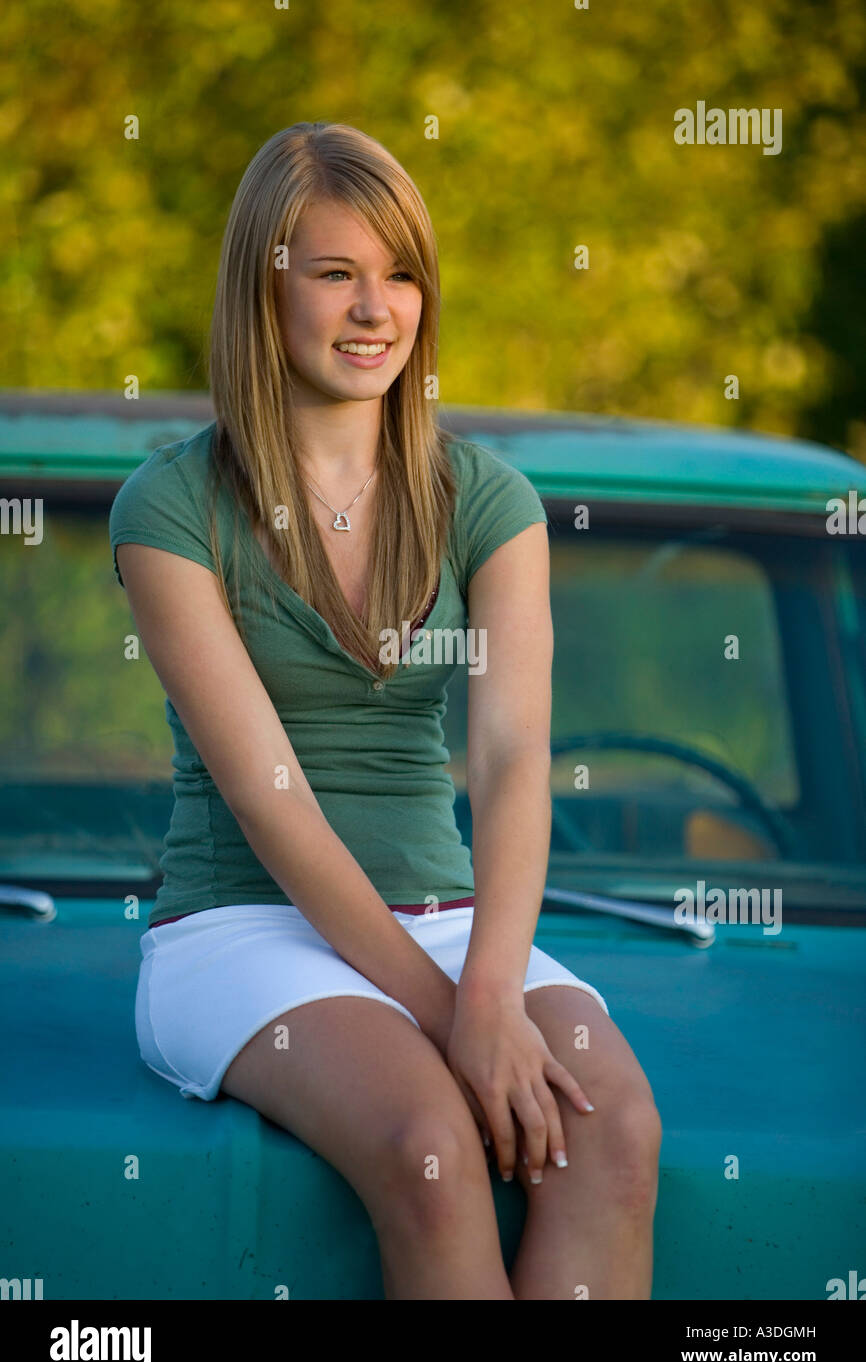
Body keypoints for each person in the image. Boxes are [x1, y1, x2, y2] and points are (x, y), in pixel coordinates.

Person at [109, 121, 661, 1300]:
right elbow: (272, 802)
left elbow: (512, 759)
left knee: (609, 1127)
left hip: (454, 922)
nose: (376, 310)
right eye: (334, 274)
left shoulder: (489, 501)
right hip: (239, 928)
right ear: (265, 287)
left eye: (400, 272)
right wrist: (452, 1017)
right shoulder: (169, 508)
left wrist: (493, 992)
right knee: (427, 1146)